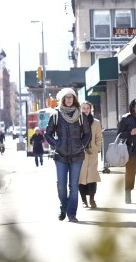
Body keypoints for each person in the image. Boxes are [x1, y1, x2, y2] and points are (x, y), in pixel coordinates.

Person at [44, 88, 91, 223]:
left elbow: (87, 134)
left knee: (74, 186)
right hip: (61, 155)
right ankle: (63, 207)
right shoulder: (56, 115)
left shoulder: (81, 115)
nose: (69, 99)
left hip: (77, 155)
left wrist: (82, 145)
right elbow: (48, 133)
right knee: (61, 185)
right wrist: (56, 144)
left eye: (71, 97)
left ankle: (71, 214)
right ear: (63, 100)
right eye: (66, 97)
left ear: (74, 99)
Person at [78, 101, 102, 208]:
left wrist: (97, 149)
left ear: (90, 109)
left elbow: (98, 137)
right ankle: (84, 200)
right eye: (83, 108)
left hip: (92, 152)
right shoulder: (77, 121)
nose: (85, 110)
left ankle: (92, 199)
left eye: (87, 108)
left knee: (92, 176)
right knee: (81, 177)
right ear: (80, 109)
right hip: (80, 152)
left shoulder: (96, 122)